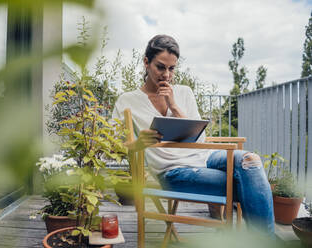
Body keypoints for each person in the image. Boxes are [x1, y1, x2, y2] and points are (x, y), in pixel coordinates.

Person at [112, 34, 275, 233]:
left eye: (171, 69)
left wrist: (174, 105)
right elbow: (112, 147)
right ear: (146, 62)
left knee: (251, 161)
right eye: (160, 67)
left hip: (206, 156)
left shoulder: (184, 92)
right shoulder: (127, 100)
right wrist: (139, 144)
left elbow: (199, 137)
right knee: (248, 182)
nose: (166, 75)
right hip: (173, 170)